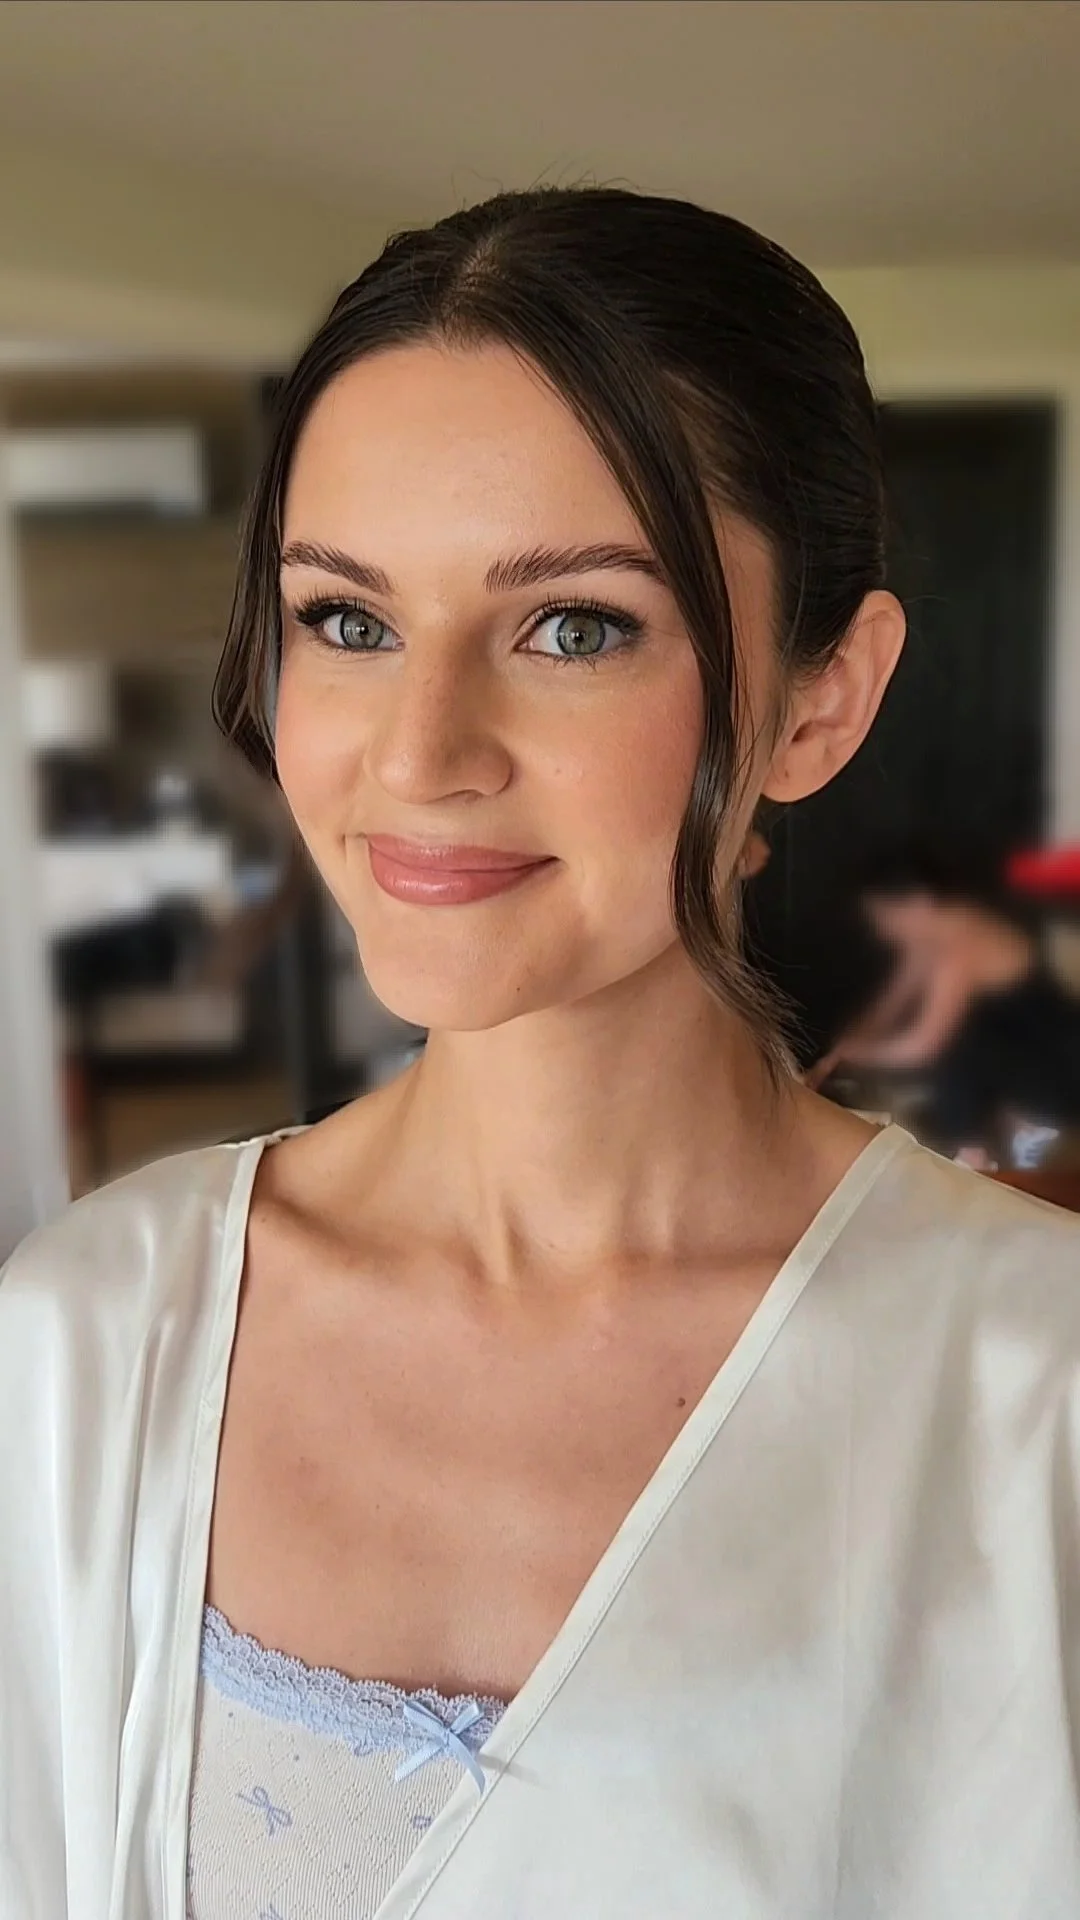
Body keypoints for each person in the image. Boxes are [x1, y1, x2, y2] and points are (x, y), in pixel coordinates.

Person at [2, 187, 1079, 1920]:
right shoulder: (87, 1345)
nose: (422, 753)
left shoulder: (1035, 1392)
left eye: (574, 625)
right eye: (348, 620)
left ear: (821, 699)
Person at [810, 849, 1080, 1159]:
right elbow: (891, 1002)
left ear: (919, 902)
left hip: (1058, 1067)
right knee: (960, 1052)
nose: (884, 930)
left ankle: (985, 1151)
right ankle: (980, 1143)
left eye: (886, 917)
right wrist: (839, 1051)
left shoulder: (961, 942)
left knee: (958, 1049)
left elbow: (924, 1044)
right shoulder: (929, 936)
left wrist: (858, 1053)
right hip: (1010, 1057)